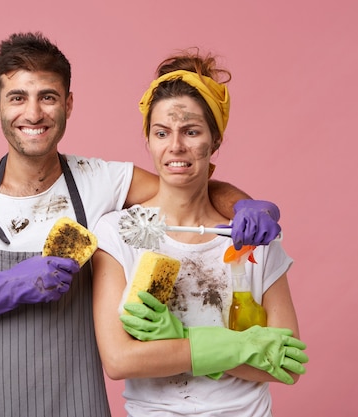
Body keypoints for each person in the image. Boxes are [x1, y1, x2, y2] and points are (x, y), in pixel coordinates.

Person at [0, 32, 283, 417]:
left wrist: (246, 207)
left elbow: (186, 184)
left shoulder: (101, 180)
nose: (33, 113)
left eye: (48, 97)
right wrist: (9, 286)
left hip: (78, 404)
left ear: (68, 104)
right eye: (18, 97)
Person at [91, 49, 308, 416]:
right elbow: (119, 360)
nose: (175, 146)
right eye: (162, 133)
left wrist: (177, 340)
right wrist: (239, 348)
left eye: (191, 132)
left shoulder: (255, 239)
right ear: (148, 140)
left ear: (215, 140)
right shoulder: (118, 234)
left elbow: (286, 363)